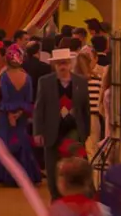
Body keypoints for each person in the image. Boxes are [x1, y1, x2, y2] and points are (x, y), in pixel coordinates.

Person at [33, 49, 93, 199]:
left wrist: (86, 132)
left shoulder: (81, 81)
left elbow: (85, 109)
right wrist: (38, 131)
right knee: (52, 170)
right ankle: (56, 201)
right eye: (59, 63)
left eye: (65, 63)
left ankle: (78, 200)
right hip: (52, 132)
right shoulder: (45, 82)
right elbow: (39, 108)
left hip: (74, 132)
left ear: (70, 64)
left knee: (77, 168)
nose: (62, 66)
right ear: (55, 65)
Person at [0, 50, 39, 187]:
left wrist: (10, 114)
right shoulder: (27, 77)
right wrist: (19, 113)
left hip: (6, 114)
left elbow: (6, 97)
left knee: (5, 143)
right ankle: (24, 175)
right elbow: (29, 99)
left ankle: (6, 176)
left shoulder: (4, 77)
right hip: (22, 114)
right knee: (21, 141)